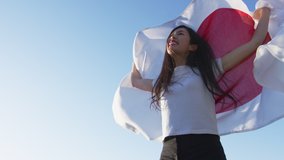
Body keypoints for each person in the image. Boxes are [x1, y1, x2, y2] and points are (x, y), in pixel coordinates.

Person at [130, 7, 271, 160]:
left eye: (180, 34)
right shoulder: (162, 82)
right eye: (171, 35)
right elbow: (135, 81)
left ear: (192, 47)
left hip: (205, 147)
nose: (172, 37)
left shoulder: (207, 70)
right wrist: (138, 57)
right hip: (170, 149)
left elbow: (254, 43)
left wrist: (266, 12)